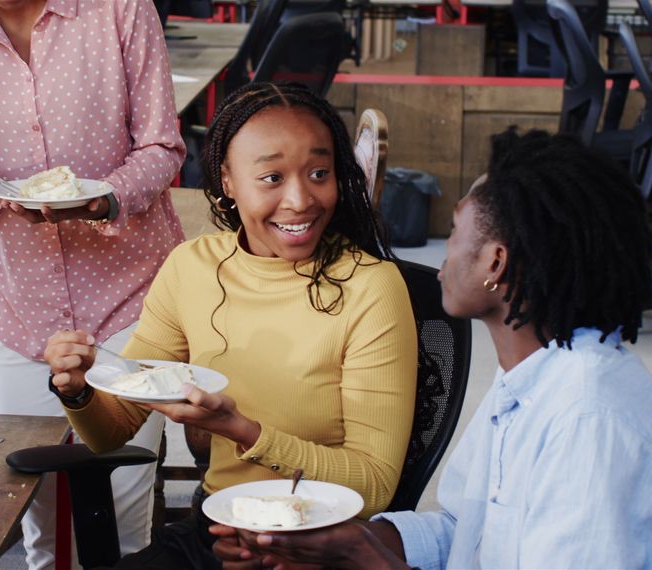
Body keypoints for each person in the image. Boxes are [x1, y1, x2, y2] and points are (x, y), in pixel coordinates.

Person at [213, 128, 652, 569]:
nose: (443, 253)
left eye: (453, 233)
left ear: (495, 263)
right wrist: (340, 539)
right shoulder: (533, 377)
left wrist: (369, 562)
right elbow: (465, 531)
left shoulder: (588, 422)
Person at [44, 81, 419, 569]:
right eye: (271, 178)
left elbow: (372, 485)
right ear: (228, 181)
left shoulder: (372, 287)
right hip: (216, 530)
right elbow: (113, 430)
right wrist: (78, 390)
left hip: (318, 546)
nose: (300, 199)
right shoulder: (191, 267)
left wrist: (243, 431)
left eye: (319, 172)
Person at [0, 0, 186, 566]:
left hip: (133, 298)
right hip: (20, 309)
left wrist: (101, 197)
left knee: (122, 513)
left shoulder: (120, 10)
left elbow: (162, 148)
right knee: (38, 515)